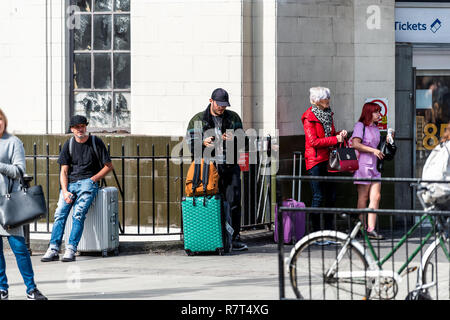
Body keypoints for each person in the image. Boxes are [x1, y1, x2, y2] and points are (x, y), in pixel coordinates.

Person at [41, 115, 113, 262]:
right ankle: (53, 248)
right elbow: (64, 171)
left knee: (78, 214)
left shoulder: (95, 142)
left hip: (88, 183)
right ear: (72, 129)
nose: (81, 129)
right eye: (77, 127)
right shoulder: (69, 144)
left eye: (83, 126)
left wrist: (92, 180)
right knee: (59, 214)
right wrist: (65, 190)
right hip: (70, 185)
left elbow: (108, 166)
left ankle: (70, 249)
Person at [186, 88, 247, 251]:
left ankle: (233, 238)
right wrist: (202, 143)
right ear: (210, 101)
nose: (221, 108)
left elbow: (245, 143)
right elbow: (190, 144)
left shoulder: (233, 118)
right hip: (207, 168)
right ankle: (212, 238)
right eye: (219, 104)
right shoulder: (198, 120)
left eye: (224, 105)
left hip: (230, 165)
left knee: (233, 202)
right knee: (209, 201)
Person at [0, 108, 47, 300]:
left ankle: (31, 288)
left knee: (19, 248)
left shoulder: (13, 143)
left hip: (8, 204)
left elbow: (19, 170)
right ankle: (2, 288)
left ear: (4, 121)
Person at [301, 87, 348, 237]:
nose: (328, 100)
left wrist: (339, 134)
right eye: (325, 98)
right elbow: (313, 141)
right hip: (315, 160)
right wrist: (335, 139)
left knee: (331, 197)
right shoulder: (309, 117)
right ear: (317, 101)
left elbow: (330, 134)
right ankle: (315, 234)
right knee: (318, 196)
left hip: (329, 159)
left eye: (328, 97)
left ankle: (328, 232)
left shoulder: (328, 114)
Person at [350, 102, 385, 240]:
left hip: (375, 166)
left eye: (379, 112)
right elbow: (355, 144)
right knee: (363, 197)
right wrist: (373, 150)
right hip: (363, 165)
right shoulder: (360, 126)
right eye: (376, 112)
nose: (378, 115)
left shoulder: (376, 128)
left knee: (376, 197)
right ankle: (361, 227)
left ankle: (371, 229)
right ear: (368, 113)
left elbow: (377, 146)